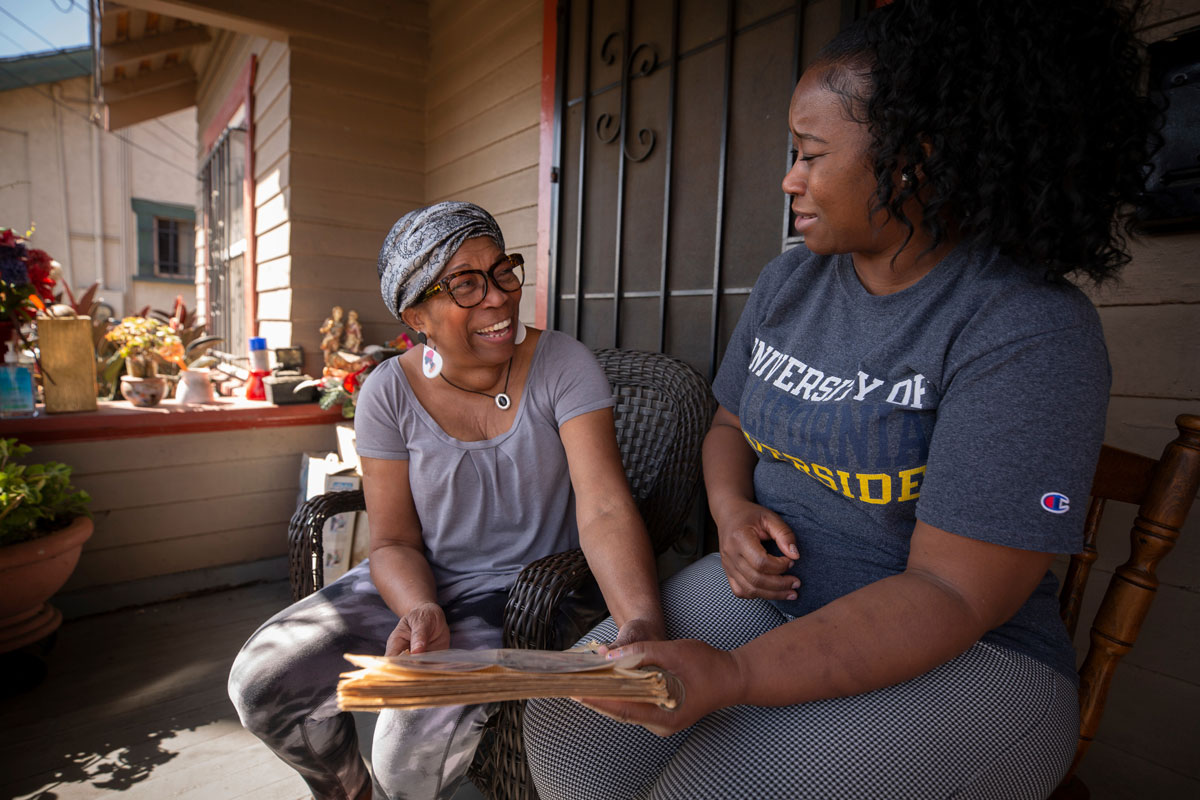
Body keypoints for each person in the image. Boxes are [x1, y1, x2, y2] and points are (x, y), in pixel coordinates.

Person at [522, 2, 1158, 798]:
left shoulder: (1024, 329)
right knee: (570, 722)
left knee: (709, 788)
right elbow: (729, 425)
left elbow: (953, 593)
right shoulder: (794, 282)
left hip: (973, 657)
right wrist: (728, 511)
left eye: (810, 153)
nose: (789, 178)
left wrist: (733, 676)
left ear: (913, 158)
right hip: (771, 596)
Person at [228, 201, 665, 800]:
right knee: (262, 681)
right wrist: (418, 609)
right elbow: (393, 540)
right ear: (417, 317)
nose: (498, 297)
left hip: (532, 595)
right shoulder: (387, 392)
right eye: (465, 283)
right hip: (425, 578)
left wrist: (642, 623)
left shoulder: (562, 364)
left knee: (406, 749)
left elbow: (605, 508)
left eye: (502, 271)